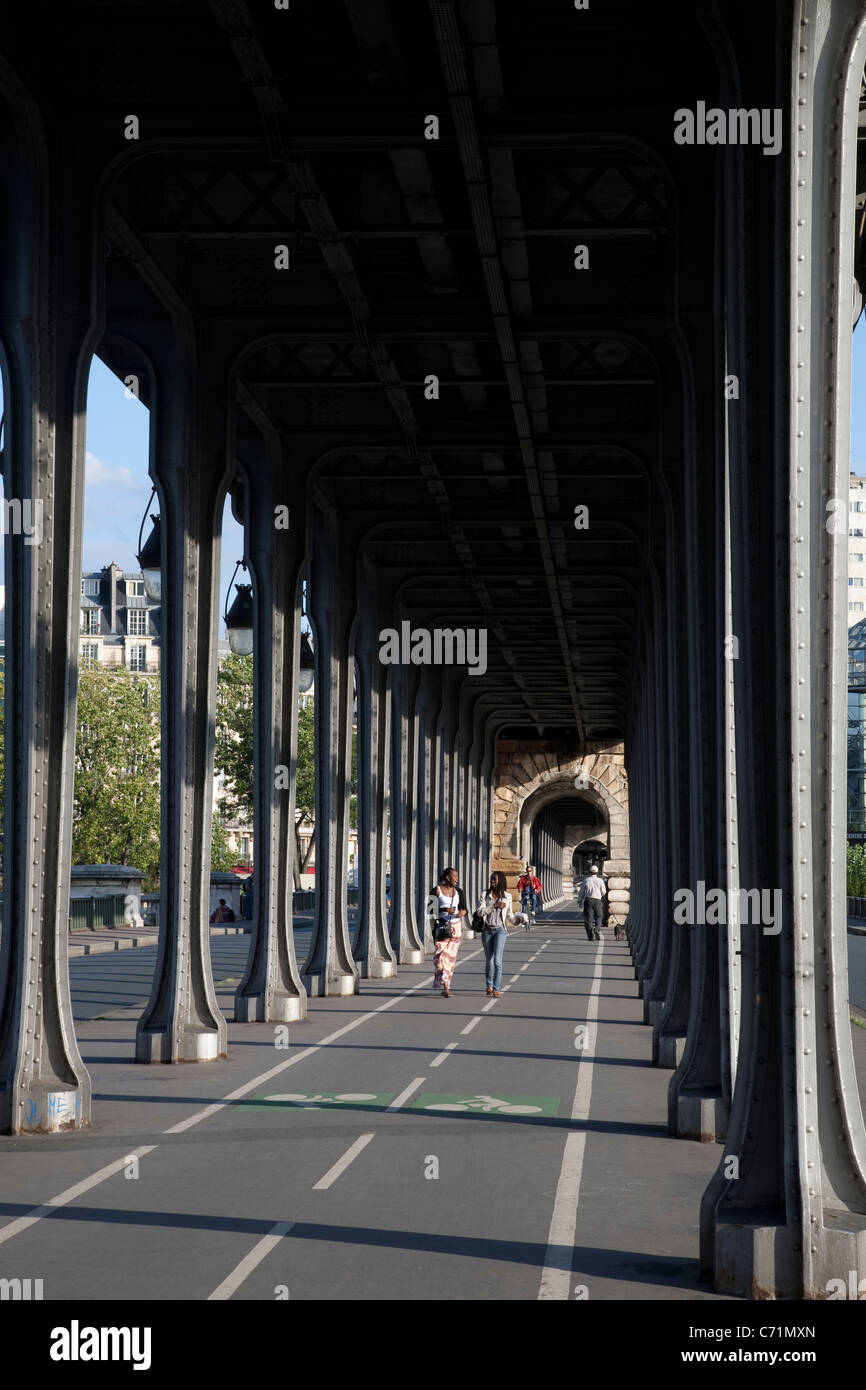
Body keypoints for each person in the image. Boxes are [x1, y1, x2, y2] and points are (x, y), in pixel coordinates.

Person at [476, 871, 521, 997]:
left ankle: (496, 988)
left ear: (500, 881)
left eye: (494, 880)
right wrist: (494, 906)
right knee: (489, 961)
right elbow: (480, 912)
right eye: (491, 879)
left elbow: (510, 915)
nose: (492, 882)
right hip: (487, 930)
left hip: (500, 930)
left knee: (497, 961)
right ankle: (489, 985)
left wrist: (517, 921)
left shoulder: (507, 896)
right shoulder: (485, 894)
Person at [428, 866, 467, 998]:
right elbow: (429, 911)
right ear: (447, 878)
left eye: (457, 876)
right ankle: (442, 980)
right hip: (442, 927)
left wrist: (462, 913)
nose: (456, 879)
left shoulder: (459, 892)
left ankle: (446, 987)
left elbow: (464, 908)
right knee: (439, 959)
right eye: (454, 876)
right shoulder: (436, 890)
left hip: (456, 927)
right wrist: (445, 909)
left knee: (450, 959)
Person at [578, 864, 606, 940]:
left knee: (588, 918)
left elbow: (581, 892)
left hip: (588, 900)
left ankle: (590, 936)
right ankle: (597, 929)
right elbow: (604, 892)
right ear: (597, 872)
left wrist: (580, 901)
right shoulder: (600, 881)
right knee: (599, 916)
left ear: (590, 872)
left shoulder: (586, 880)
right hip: (597, 900)